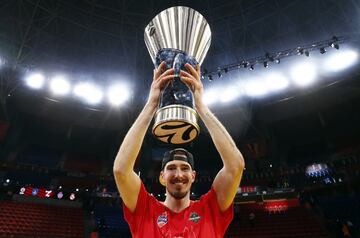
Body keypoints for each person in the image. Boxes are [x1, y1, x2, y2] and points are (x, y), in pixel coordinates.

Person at [113, 62, 245, 237]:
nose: (178, 174)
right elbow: (121, 170)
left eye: (185, 168)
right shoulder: (145, 210)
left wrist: (200, 106)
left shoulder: (210, 209)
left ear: (193, 176)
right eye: (171, 168)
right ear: (161, 176)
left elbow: (235, 166)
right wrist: (152, 104)